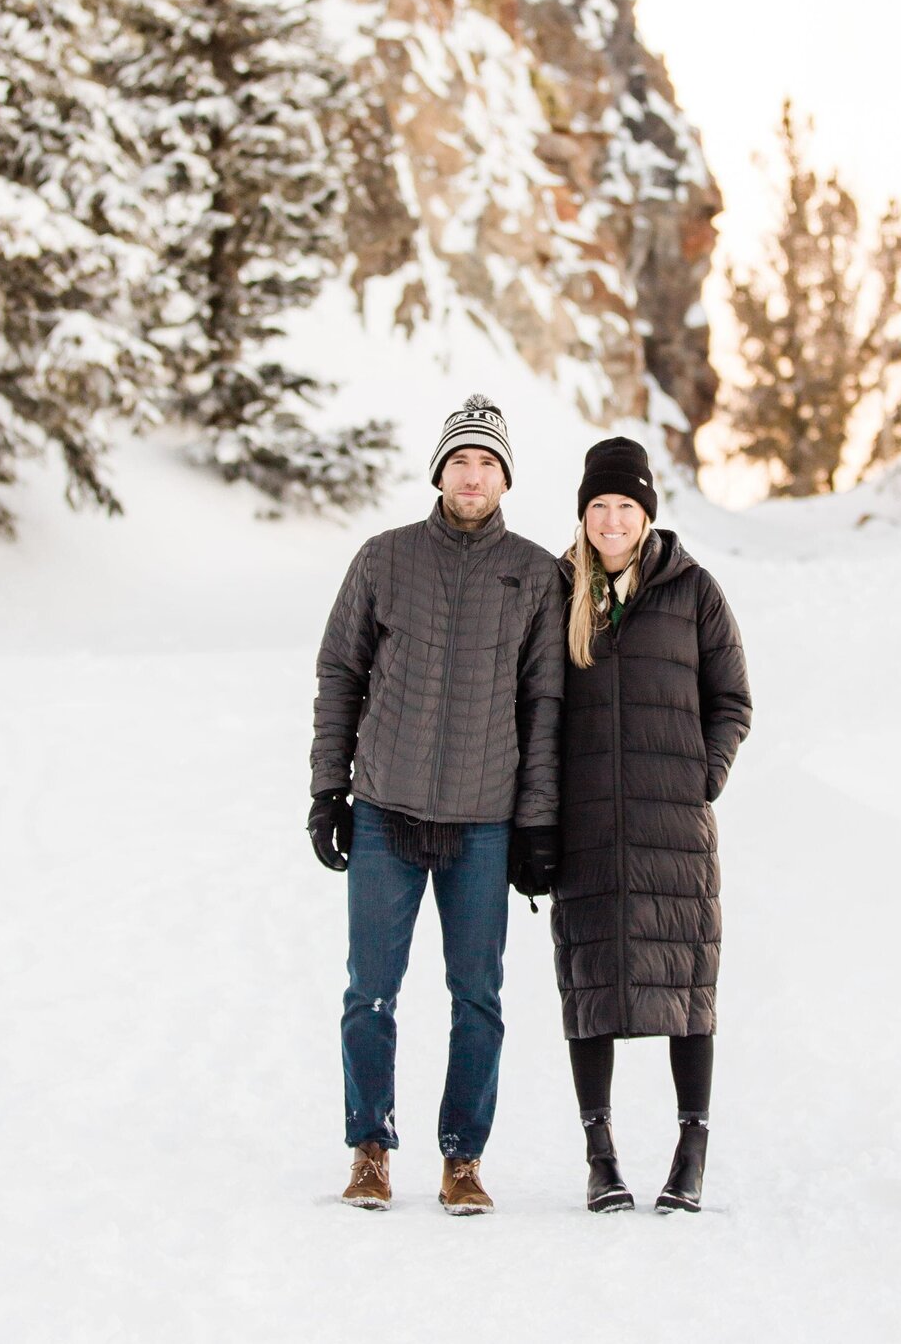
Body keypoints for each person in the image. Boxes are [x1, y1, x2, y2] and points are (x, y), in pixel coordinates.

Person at [308, 394, 564, 1215]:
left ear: (506, 478)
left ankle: (463, 1158)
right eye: (461, 460)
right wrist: (327, 789)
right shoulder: (384, 559)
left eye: (488, 463)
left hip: (483, 821)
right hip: (384, 807)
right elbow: (339, 676)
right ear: (439, 470)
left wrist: (535, 823)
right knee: (369, 991)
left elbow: (544, 708)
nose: (473, 475)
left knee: (477, 996)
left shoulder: (532, 573)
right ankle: (370, 1149)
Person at [550, 436, 752, 1214]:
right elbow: (537, 707)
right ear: (582, 513)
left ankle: (690, 1149)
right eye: (597, 507)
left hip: (674, 825)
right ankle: (601, 1156)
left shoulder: (693, 590)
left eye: (623, 507)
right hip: (588, 825)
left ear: (646, 514)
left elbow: (733, 698)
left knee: (687, 984)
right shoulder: (557, 589)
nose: (609, 521)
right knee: (590, 982)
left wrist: (702, 775)